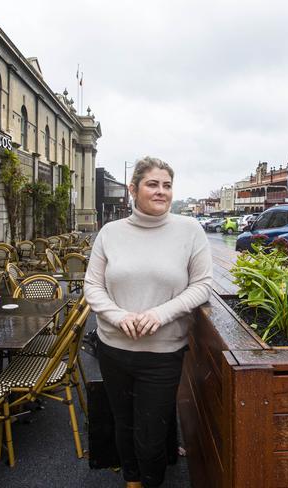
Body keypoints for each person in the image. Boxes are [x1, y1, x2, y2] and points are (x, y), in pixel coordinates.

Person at [84, 157, 213, 488]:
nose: (161, 191)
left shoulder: (190, 231)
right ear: (133, 189)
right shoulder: (110, 233)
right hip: (113, 348)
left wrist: (160, 313)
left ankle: (151, 482)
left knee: (151, 434)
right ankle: (132, 481)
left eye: (167, 185)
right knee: (123, 423)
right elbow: (92, 286)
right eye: (152, 184)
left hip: (163, 352)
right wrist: (118, 315)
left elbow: (202, 285)